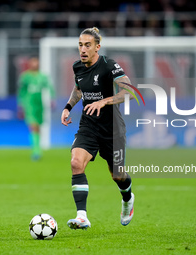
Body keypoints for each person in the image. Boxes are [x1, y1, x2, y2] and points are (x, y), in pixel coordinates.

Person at [61, 27, 135, 230]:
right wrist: (68, 107)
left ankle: (128, 199)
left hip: (113, 129)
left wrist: (104, 101)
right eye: (80, 45)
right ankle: (82, 216)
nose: (82, 49)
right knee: (76, 162)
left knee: (118, 175)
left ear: (97, 47)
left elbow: (129, 91)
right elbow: (78, 88)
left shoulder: (108, 65)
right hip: (89, 125)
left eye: (87, 45)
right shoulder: (78, 67)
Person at [17, 57, 55, 160]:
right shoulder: (25, 76)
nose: (35, 65)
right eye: (33, 63)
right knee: (33, 125)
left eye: (36, 63)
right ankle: (36, 151)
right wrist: (20, 105)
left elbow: (49, 87)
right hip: (29, 103)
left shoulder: (42, 76)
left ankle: (37, 148)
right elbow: (21, 91)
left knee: (37, 126)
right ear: (30, 64)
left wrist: (52, 100)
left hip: (39, 103)